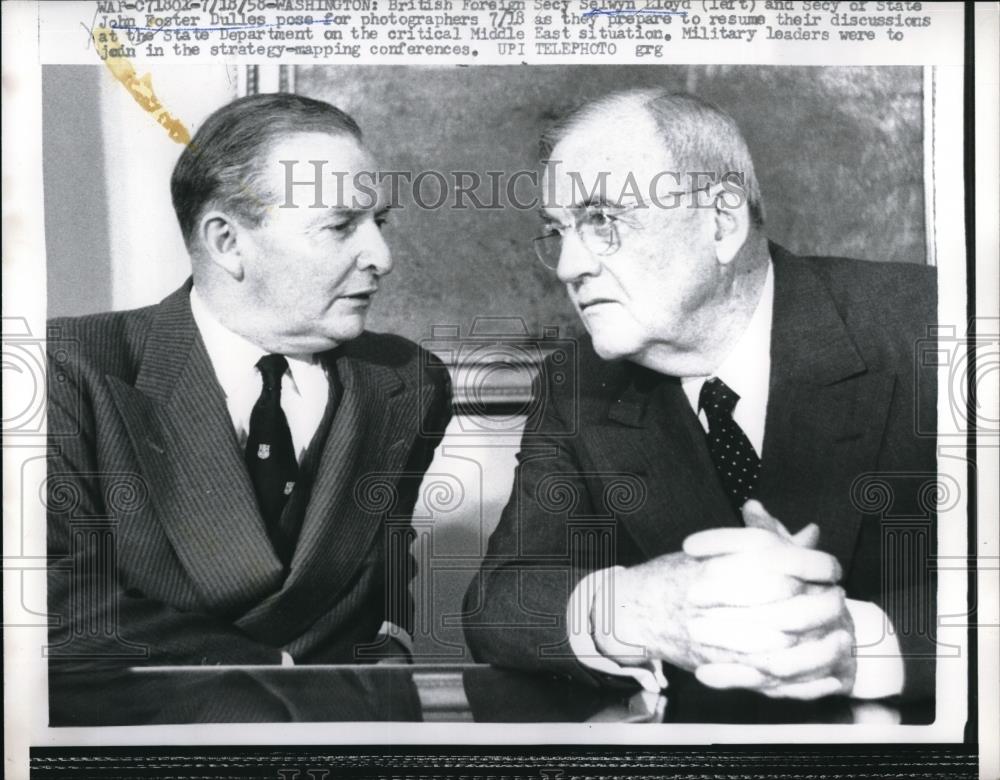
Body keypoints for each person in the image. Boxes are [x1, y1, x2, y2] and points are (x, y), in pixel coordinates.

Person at [463, 90, 937, 704]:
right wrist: (636, 607)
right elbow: (502, 601)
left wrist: (861, 645)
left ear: (721, 221)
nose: (567, 266)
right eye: (559, 231)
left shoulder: (934, 325)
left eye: (602, 220)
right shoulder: (575, 382)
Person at [46, 93, 452, 690]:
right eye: (341, 226)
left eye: (379, 223)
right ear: (227, 242)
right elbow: (56, 610)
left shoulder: (408, 381)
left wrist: (391, 643)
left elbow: (385, 556)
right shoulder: (69, 370)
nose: (383, 257)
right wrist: (281, 680)